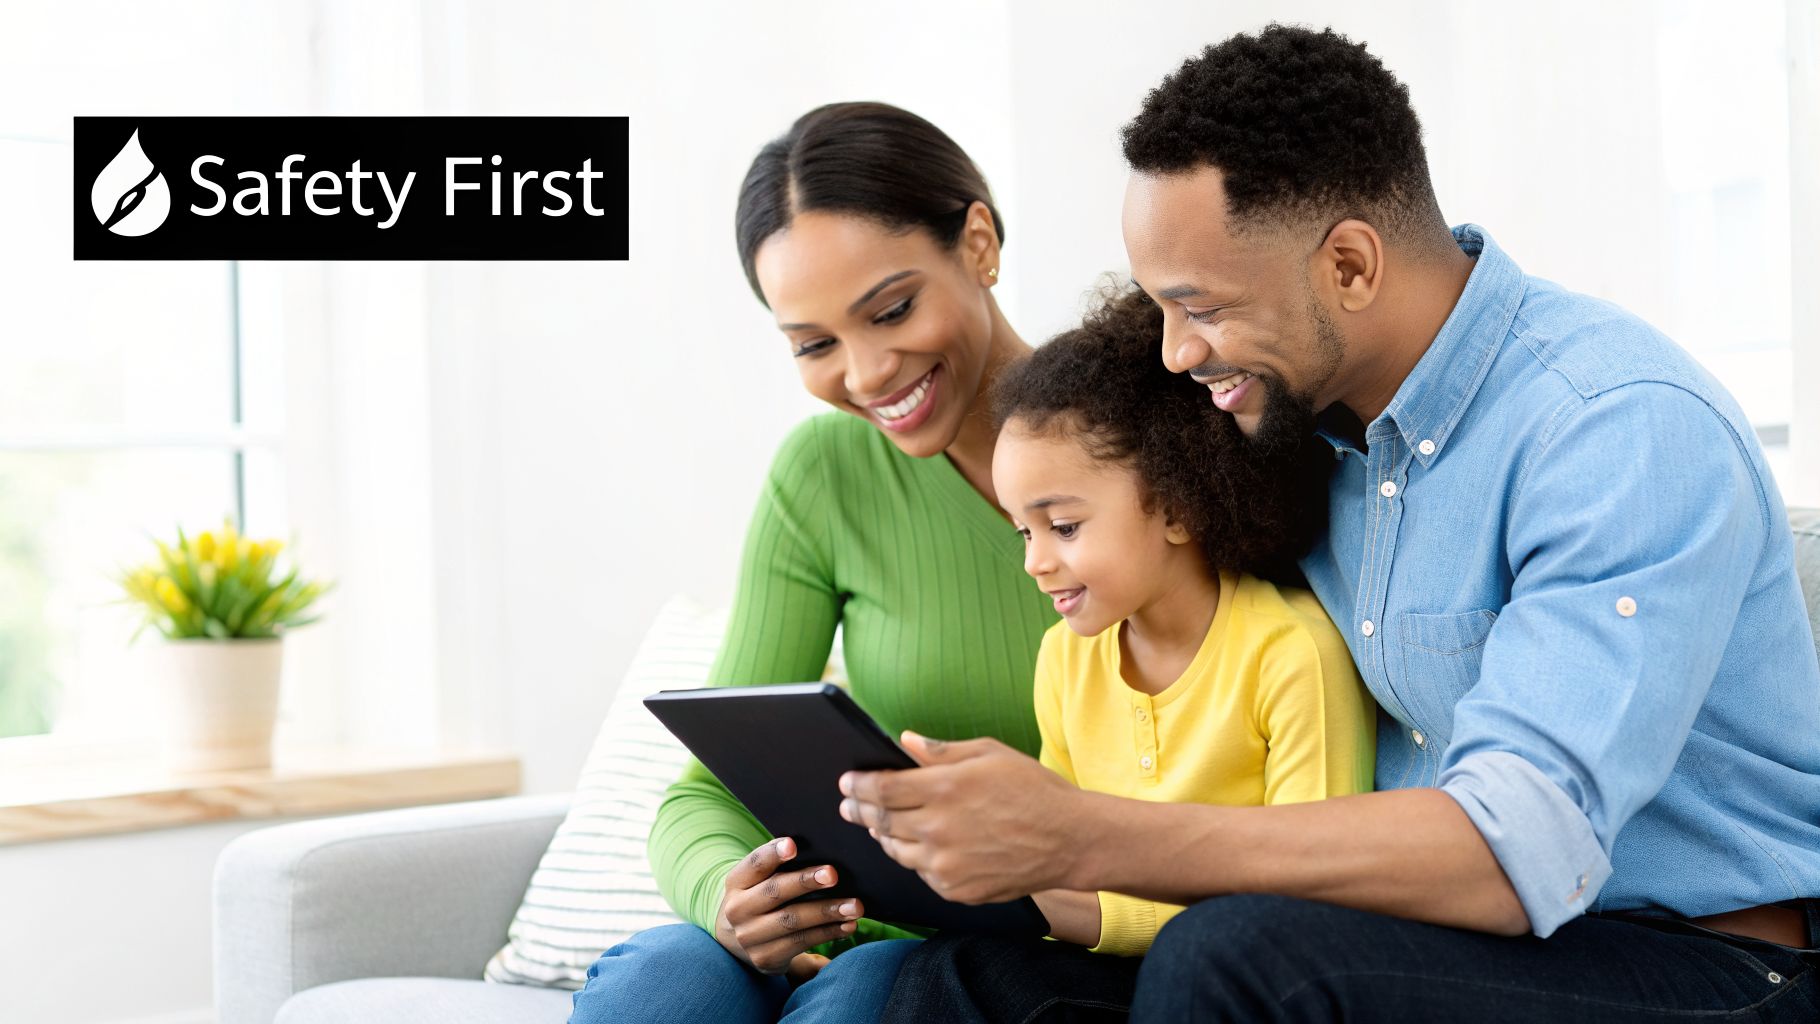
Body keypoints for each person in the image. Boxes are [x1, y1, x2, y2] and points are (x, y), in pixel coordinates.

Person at [853, 25, 1820, 1021]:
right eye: (1159, 309)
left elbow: (1514, 851)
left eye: (1200, 307)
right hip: (1422, 944)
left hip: (1695, 962)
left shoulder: (1614, 427)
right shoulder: (1293, 432)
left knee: (1232, 957)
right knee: (956, 983)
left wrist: (1081, 834)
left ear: (1350, 266)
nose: (1176, 353)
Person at [566, 101, 1057, 1024]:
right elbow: (705, 793)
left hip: (1008, 958)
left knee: (871, 997)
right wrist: (731, 895)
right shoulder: (825, 471)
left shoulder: (1143, 442)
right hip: (833, 927)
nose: (866, 375)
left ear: (979, 243)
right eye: (815, 345)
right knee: (662, 984)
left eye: (893, 310)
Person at [891, 287, 1372, 1020]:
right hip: (1107, 968)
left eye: (1063, 526)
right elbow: (1055, 854)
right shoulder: (1065, 659)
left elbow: (1311, 900)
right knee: (946, 969)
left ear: (1177, 505)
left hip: (1238, 982)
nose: (1035, 563)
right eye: (1024, 532)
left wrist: (1086, 913)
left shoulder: (1290, 652)